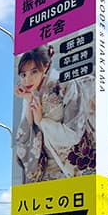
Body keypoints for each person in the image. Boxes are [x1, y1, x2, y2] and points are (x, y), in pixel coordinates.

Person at [14, 45, 96, 183]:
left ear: (46, 66)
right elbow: (25, 137)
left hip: (71, 164)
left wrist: (41, 121)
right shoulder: (30, 94)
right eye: (23, 75)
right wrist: (28, 100)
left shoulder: (66, 84)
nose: (27, 80)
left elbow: (74, 134)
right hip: (47, 168)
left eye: (34, 72)